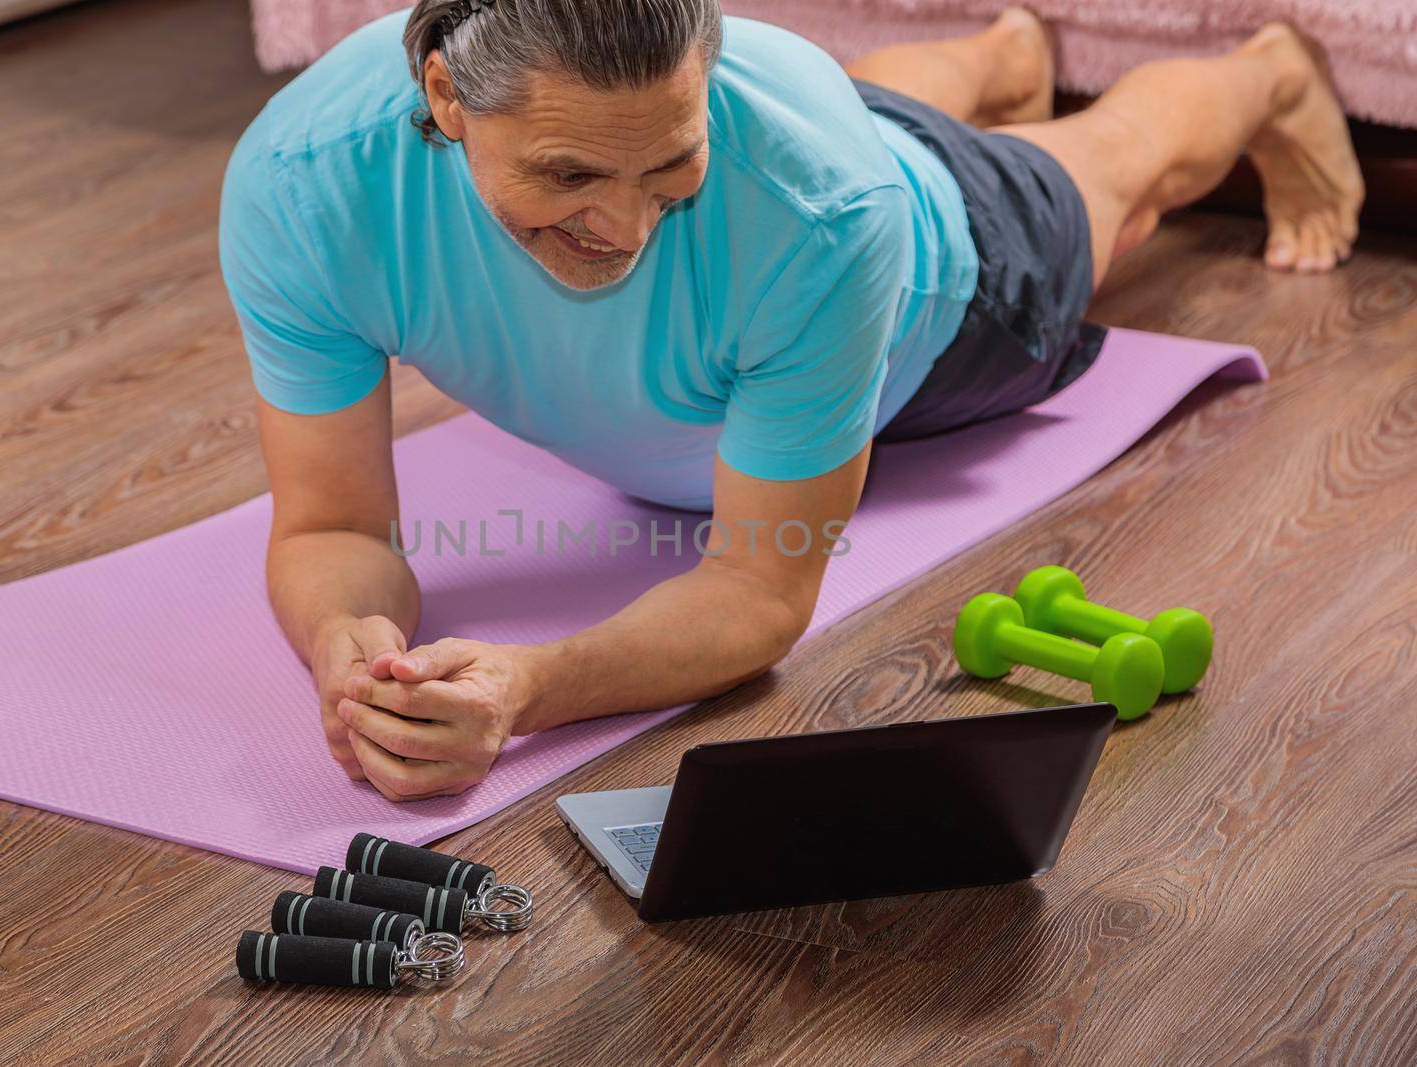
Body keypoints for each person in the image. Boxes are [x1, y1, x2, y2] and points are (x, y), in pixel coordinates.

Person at [218, 1, 1362, 801]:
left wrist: (534, 684)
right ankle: (995, 50)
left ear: (708, 84)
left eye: (671, 170)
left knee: (1113, 165)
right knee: (830, 134)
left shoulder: (826, 207)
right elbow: (331, 527)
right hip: (806, 172)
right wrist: (342, 649)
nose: (619, 232)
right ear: (443, 95)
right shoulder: (305, 186)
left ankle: (1266, 70)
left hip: (948, 288)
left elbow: (759, 589)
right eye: (567, 175)